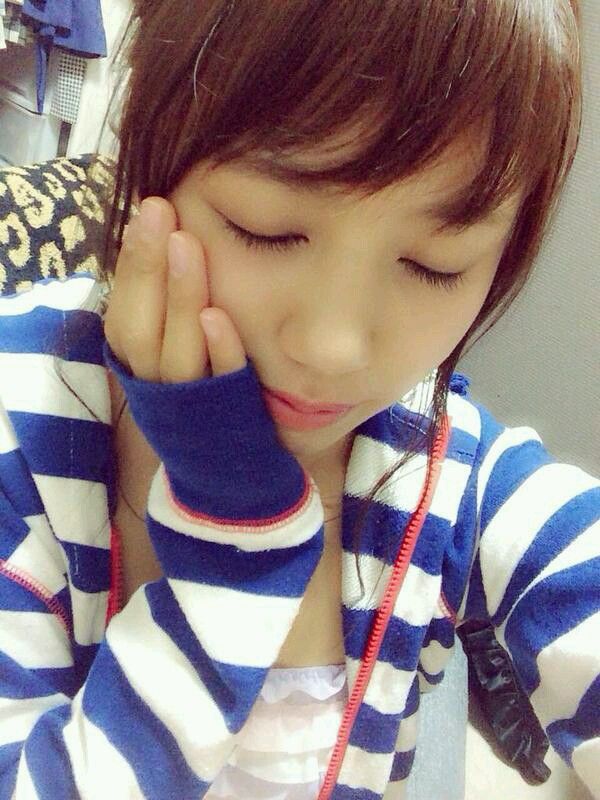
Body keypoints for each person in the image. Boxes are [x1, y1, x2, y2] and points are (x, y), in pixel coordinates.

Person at [0, 1, 598, 798]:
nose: (332, 346)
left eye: (436, 264)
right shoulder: (20, 422)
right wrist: (231, 529)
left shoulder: (445, 470)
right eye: (267, 228)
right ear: (146, 142)